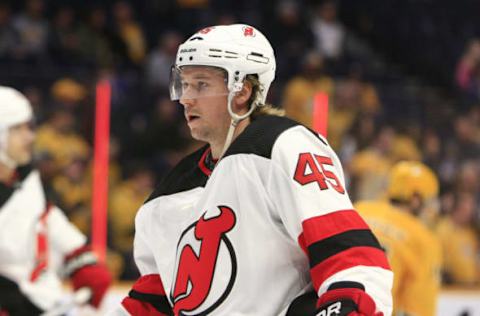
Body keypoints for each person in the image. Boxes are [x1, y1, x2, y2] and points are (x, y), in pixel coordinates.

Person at [112, 24, 392, 316]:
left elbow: (348, 254)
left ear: (242, 90)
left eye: (201, 84)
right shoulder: (166, 194)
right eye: (184, 84)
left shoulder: (283, 145)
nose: (186, 98)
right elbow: (154, 302)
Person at [0, 86, 111, 315]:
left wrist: (81, 260)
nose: (30, 136)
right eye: (17, 129)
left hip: (48, 302)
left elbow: (45, 218)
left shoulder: (25, 177)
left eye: (29, 127)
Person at [355, 161, 442, 316]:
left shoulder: (359, 209)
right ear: (416, 199)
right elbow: (417, 309)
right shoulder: (422, 238)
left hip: (328, 305)